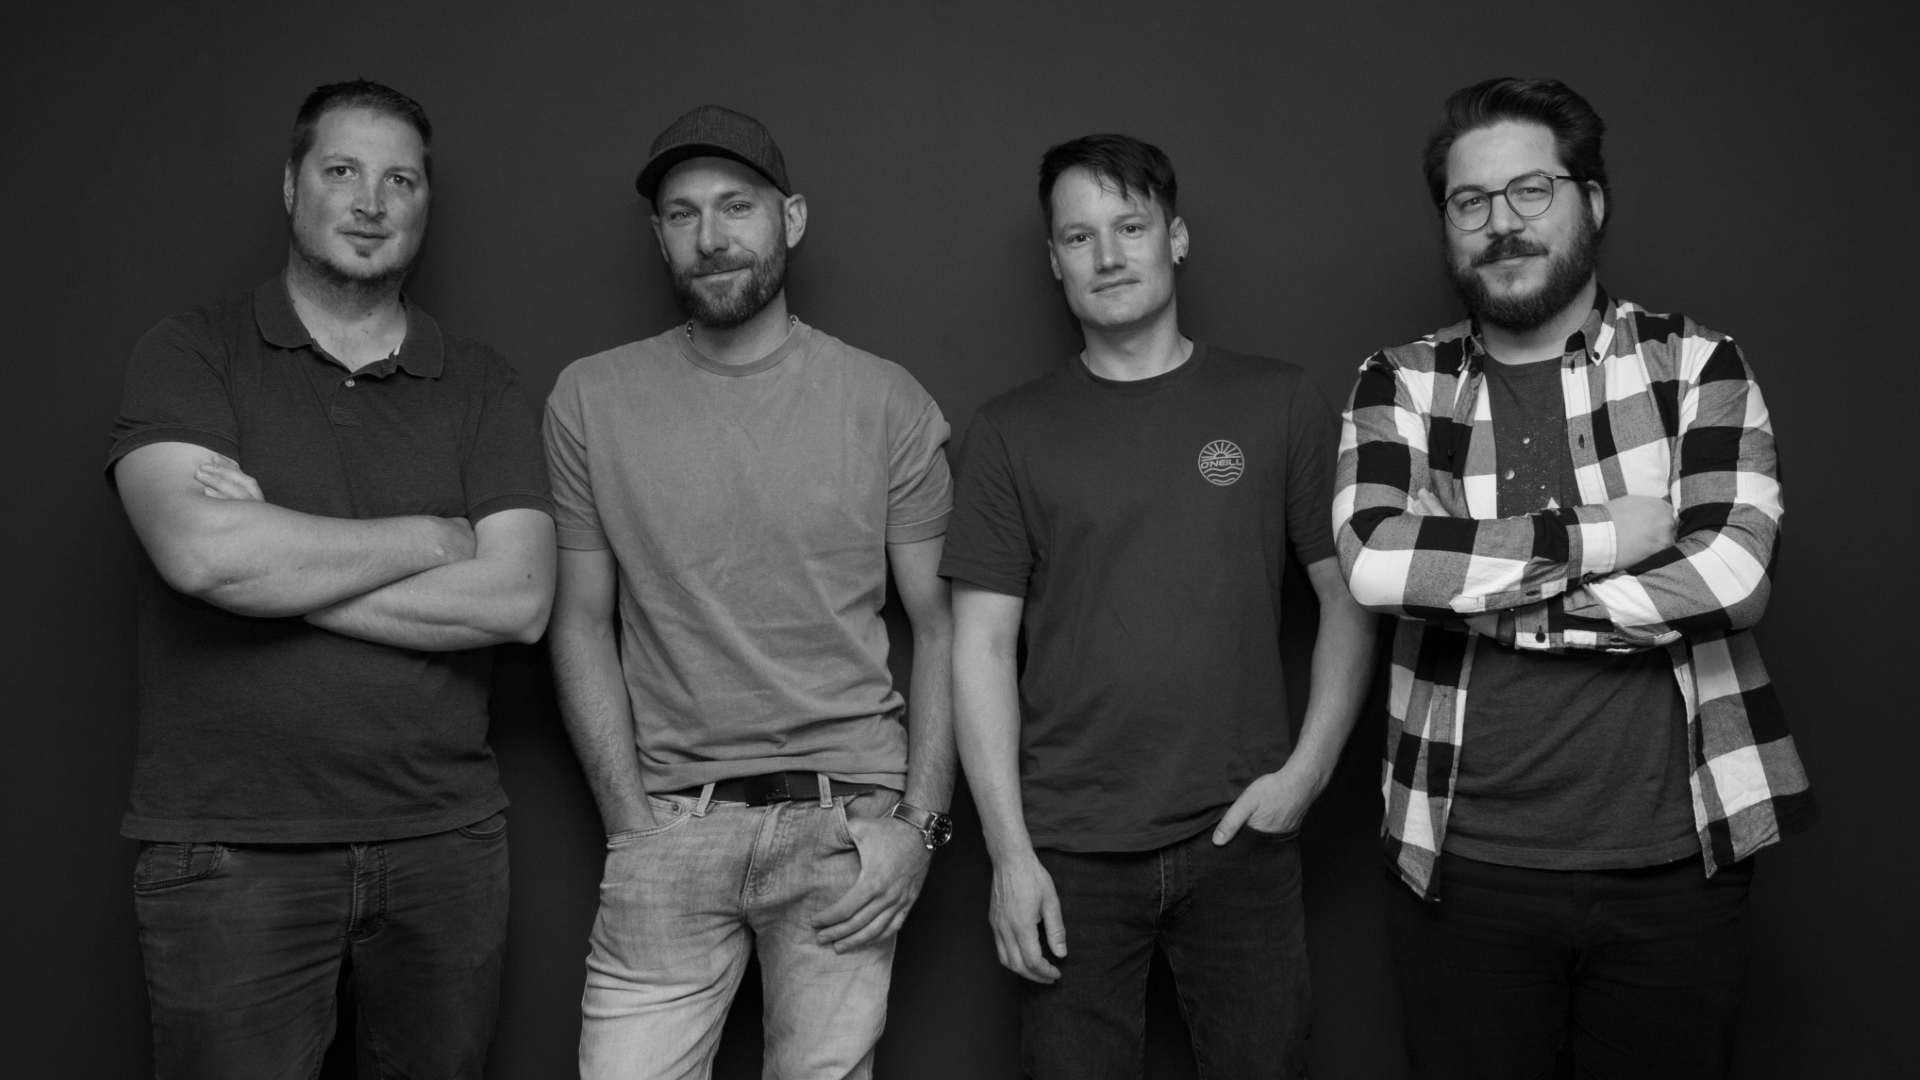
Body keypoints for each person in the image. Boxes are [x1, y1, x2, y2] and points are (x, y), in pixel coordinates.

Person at [1335, 77, 1818, 1079]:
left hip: (1678, 864)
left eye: (1531, 190)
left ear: (1590, 201)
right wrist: (1604, 536)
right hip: (1463, 861)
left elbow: (1731, 577)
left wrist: (1481, 592)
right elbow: (1379, 563)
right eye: (1470, 202)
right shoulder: (1401, 382)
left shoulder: (1696, 366)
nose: (1500, 224)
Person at [106, 80, 555, 1079]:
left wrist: (278, 562)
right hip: (232, 849)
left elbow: (520, 601)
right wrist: (437, 536)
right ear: (290, 186)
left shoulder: (480, 383)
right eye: (342, 170)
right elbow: (201, 554)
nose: (370, 202)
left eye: (401, 180)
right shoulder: (191, 353)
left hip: (444, 844)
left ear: (425, 203)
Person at [943, 133, 1376, 1079]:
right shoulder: (1008, 433)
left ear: (1176, 238)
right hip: (1068, 851)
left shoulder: (1278, 402)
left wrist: (1304, 776)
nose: (1107, 255)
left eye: (1130, 227)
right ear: (1054, 260)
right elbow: (980, 648)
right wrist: (1010, 855)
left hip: (1243, 833)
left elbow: (1347, 599)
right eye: (1079, 236)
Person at [544, 105, 956, 1080]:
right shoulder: (590, 399)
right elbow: (578, 622)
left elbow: (943, 627)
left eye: (737, 206)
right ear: (658, 236)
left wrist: (918, 828)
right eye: (683, 214)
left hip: (845, 825)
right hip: (668, 825)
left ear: (791, 219)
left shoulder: (886, 400)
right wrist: (628, 825)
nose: (711, 236)